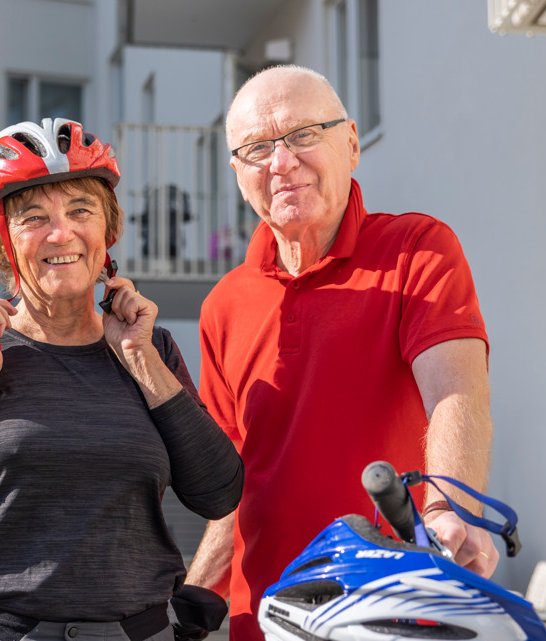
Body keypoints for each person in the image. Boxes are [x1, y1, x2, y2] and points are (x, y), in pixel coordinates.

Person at [0, 118, 243, 641]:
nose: (61, 233)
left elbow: (218, 493)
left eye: (80, 211)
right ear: (2, 240)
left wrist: (139, 357)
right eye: (33, 217)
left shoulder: (150, 349)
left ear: (107, 231)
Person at [184, 65, 497, 641]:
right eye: (256, 148)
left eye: (304, 134)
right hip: (265, 621)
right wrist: (193, 601)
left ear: (350, 143)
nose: (281, 163)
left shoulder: (418, 250)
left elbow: (457, 394)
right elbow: (237, 483)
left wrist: (448, 507)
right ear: (237, 173)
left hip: (396, 613)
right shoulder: (222, 305)